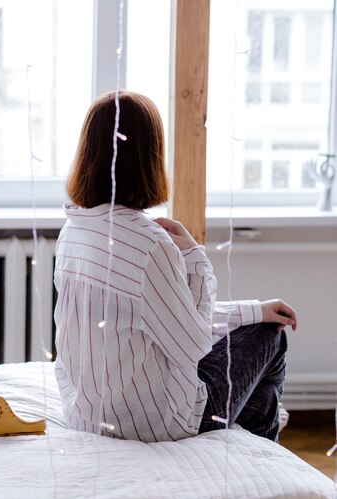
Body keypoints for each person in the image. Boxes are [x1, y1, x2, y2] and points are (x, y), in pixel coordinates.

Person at [54, 90, 297, 443]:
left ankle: (247, 428)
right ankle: (260, 446)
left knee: (262, 322)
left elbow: (166, 319)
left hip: (86, 414)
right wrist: (194, 257)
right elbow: (194, 345)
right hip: (155, 423)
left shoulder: (74, 229)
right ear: (149, 157)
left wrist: (254, 310)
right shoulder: (150, 244)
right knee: (270, 337)